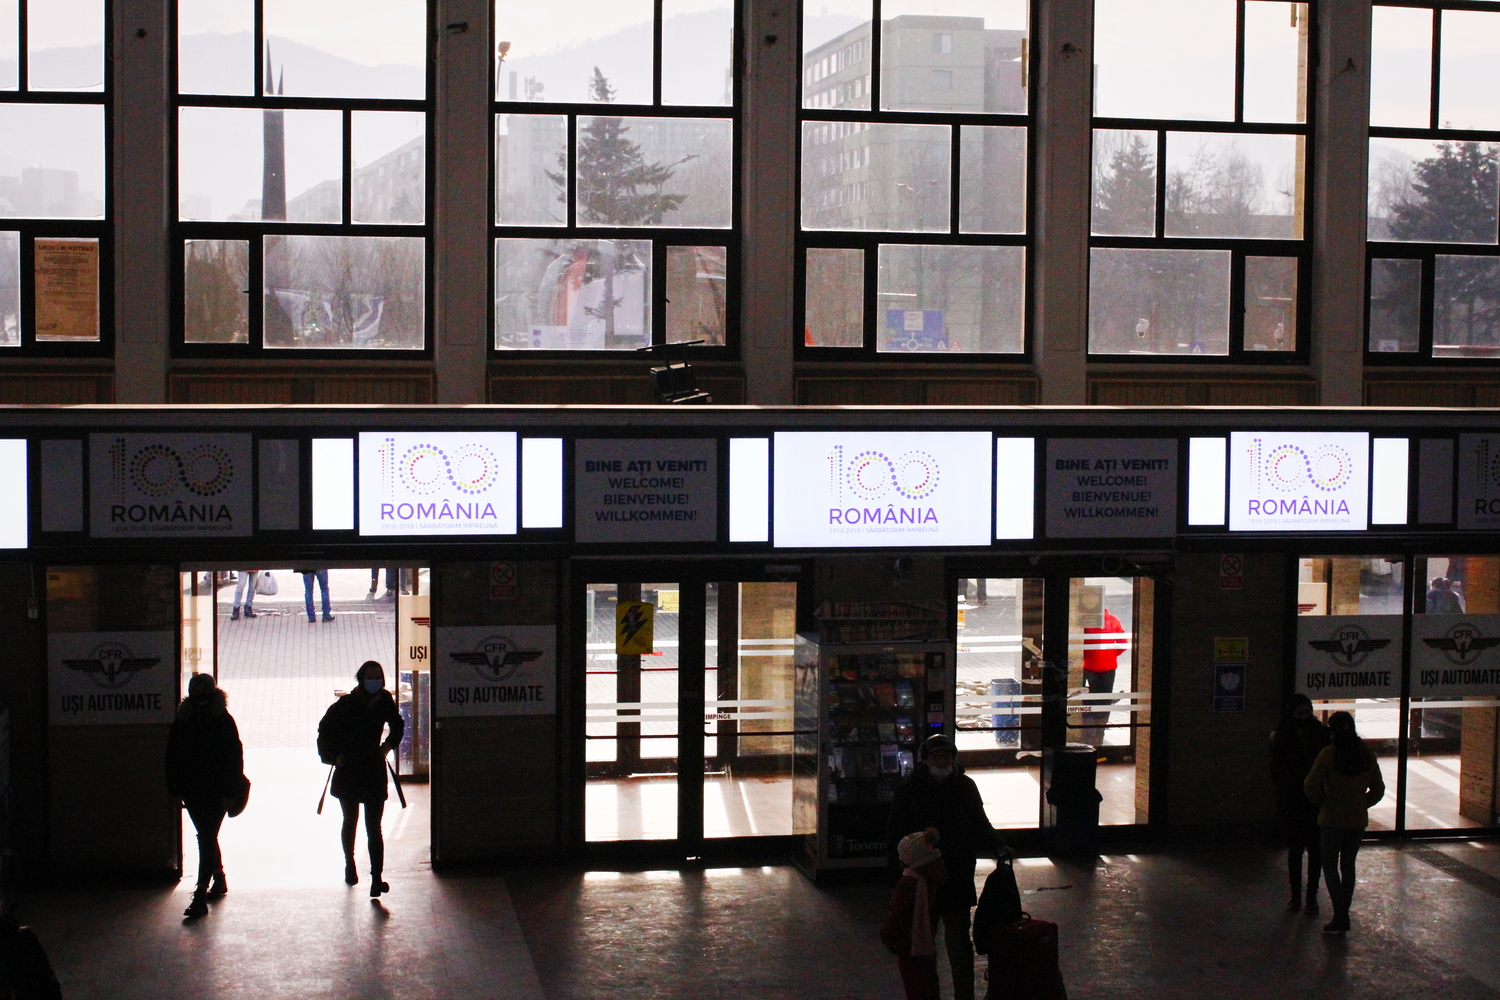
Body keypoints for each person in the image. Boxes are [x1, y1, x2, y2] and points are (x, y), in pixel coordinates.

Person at [886, 734, 1006, 1000]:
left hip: (948, 875)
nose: (942, 760)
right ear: (926, 759)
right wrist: (896, 877)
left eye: (946, 755)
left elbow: (979, 822)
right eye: (937, 756)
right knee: (932, 944)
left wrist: (998, 845)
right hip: (929, 877)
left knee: (955, 945)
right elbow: (895, 834)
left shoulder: (959, 787)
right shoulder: (914, 790)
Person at [318, 661, 404, 898]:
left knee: (372, 827)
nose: (374, 681)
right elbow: (324, 729)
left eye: (377, 677)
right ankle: (350, 863)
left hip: (370, 768)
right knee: (352, 821)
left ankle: (376, 878)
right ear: (361, 679)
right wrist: (336, 755)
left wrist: (387, 746)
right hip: (352, 769)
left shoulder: (384, 700)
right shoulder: (346, 704)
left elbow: (398, 724)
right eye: (370, 677)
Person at [165, 673, 244, 919]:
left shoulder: (220, 720)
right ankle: (218, 878)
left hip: (216, 792)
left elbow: (234, 759)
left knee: (206, 836)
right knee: (207, 836)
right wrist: (175, 788)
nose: (200, 694)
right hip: (195, 791)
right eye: (196, 689)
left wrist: (230, 792)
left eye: (203, 689)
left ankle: (200, 895)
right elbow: (173, 756)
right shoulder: (186, 721)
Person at [1303, 711, 1385, 936]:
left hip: (1331, 819)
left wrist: (1324, 804)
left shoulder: (1328, 755)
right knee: (1348, 866)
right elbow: (1378, 790)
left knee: (1329, 865)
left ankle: (1340, 914)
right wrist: (1360, 804)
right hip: (1356, 821)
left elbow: (1310, 785)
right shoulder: (1366, 755)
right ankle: (1342, 912)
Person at [1269, 693, 1330, 913]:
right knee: (1306, 850)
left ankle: (1303, 896)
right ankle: (1304, 896)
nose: (1305, 717)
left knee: (1304, 850)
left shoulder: (1283, 737)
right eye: (1300, 713)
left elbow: (1276, 771)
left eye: (1307, 713)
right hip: (1305, 800)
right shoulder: (1320, 734)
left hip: (1298, 799)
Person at [881, 828, 946, 1000]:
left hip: (907, 945)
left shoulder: (907, 885)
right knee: (927, 982)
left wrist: (886, 935)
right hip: (927, 942)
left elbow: (897, 916)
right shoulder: (935, 877)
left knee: (914, 987)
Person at [1080, 605, 1126, 747]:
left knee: (1088, 698)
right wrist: (1111, 655)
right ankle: (1100, 732)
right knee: (1103, 699)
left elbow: (1078, 644)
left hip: (1088, 665)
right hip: (1108, 667)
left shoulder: (1085, 623)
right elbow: (1122, 643)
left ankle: (1089, 733)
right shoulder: (1113, 620)